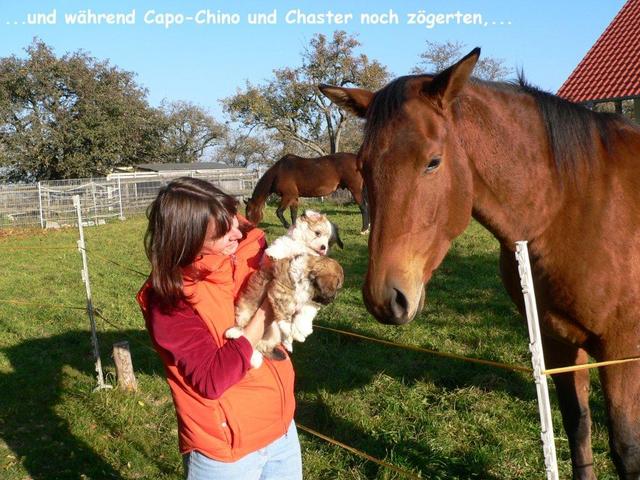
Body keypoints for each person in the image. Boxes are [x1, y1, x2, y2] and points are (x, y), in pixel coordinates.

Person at [136, 177, 301, 480]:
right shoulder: (170, 299)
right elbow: (213, 379)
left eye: (233, 221)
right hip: (227, 452)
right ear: (189, 239)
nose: (238, 232)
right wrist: (267, 309)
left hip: (282, 430)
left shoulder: (248, 248)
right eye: (224, 232)